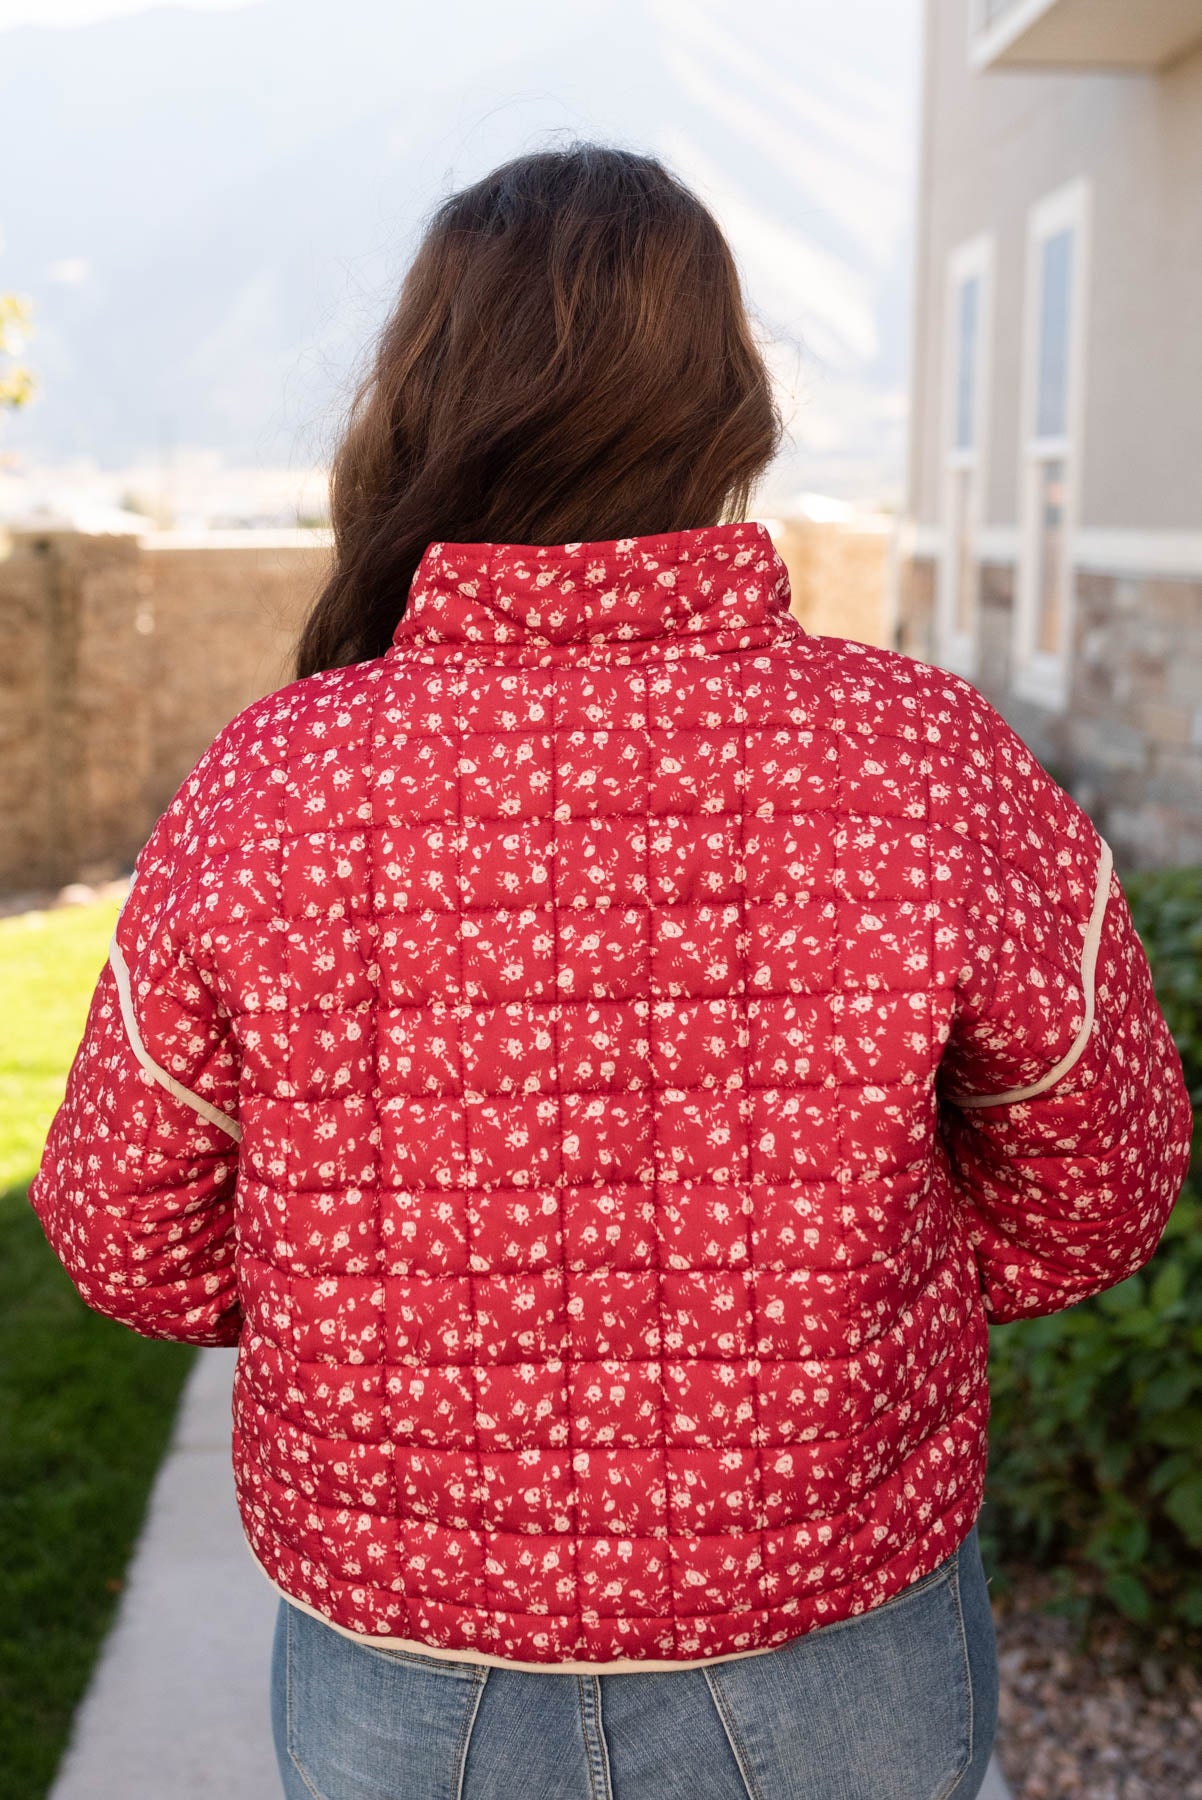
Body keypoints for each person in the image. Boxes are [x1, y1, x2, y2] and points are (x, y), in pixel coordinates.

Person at [30, 143, 1193, 1800]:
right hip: (828, 1641)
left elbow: (128, 1233)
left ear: (421, 397)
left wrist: (360, 1318)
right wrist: (850, 1303)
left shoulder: (276, 781)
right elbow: (1100, 1187)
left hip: (404, 1664)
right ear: (728, 405)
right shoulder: (920, 759)